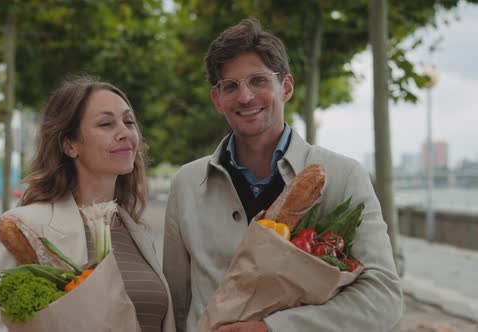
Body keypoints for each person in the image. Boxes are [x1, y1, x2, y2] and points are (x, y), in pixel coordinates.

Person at [163, 19, 402, 332]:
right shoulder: (186, 184)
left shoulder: (345, 176)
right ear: (217, 100)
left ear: (286, 87)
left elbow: (383, 297)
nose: (245, 96)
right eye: (231, 86)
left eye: (258, 81)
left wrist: (274, 329)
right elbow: (175, 305)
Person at [0, 77, 176, 332]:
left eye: (129, 122)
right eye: (106, 124)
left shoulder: (135, 232)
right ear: (69, 144)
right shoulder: (25, 227)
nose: (125, 133)